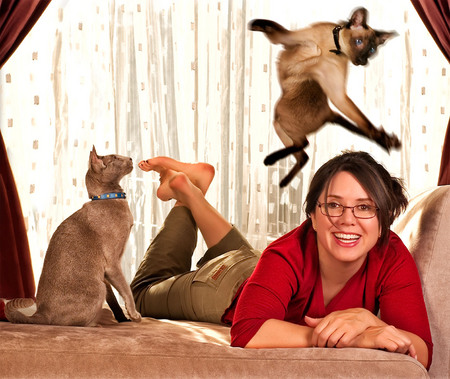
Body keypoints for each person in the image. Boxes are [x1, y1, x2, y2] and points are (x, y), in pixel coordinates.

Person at [130, 151, 432, 370]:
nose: (347, 220)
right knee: (142, 294)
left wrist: (370, 321)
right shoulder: (286, 253)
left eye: (365, 207)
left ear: (384, 219)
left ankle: (189, 187)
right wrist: (345, 337)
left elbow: (421, 350)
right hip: (223, 286)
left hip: (254, 265)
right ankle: (184, 195)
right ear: (312, 216)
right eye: (334, 206)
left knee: (244, 259)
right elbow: (247, 332)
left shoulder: (391, 254)